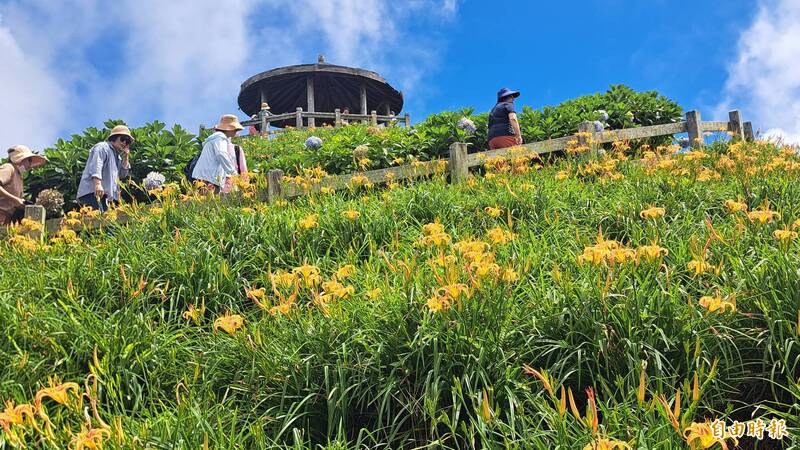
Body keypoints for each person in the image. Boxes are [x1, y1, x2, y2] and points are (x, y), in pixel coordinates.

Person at [76, 125, 133, 212]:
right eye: (123, 139)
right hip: (92, 194)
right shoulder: (102, 147)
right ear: (114, 137)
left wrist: (126, 156)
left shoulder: (117, 157)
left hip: (106, 198)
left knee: (104, 220)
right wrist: (98, 184)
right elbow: (96, 165)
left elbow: (123, 174)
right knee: (96, 219)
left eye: (127, 141)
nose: (125, 142)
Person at [191, 114, 246, 193]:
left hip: (205, 177)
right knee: (208, 198)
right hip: (208, 179)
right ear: (228, 129)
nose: (236, 131)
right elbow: (221, 154)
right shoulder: (220, 138)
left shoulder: (214, 139)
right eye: (235, 129)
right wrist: (233, 172)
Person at [0, 145, 48, 224]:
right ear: (20, 159)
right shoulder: (9, 168)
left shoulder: (19, 176)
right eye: (29, 160)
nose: (30, 165)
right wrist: (15, 200)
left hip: (7, 221)